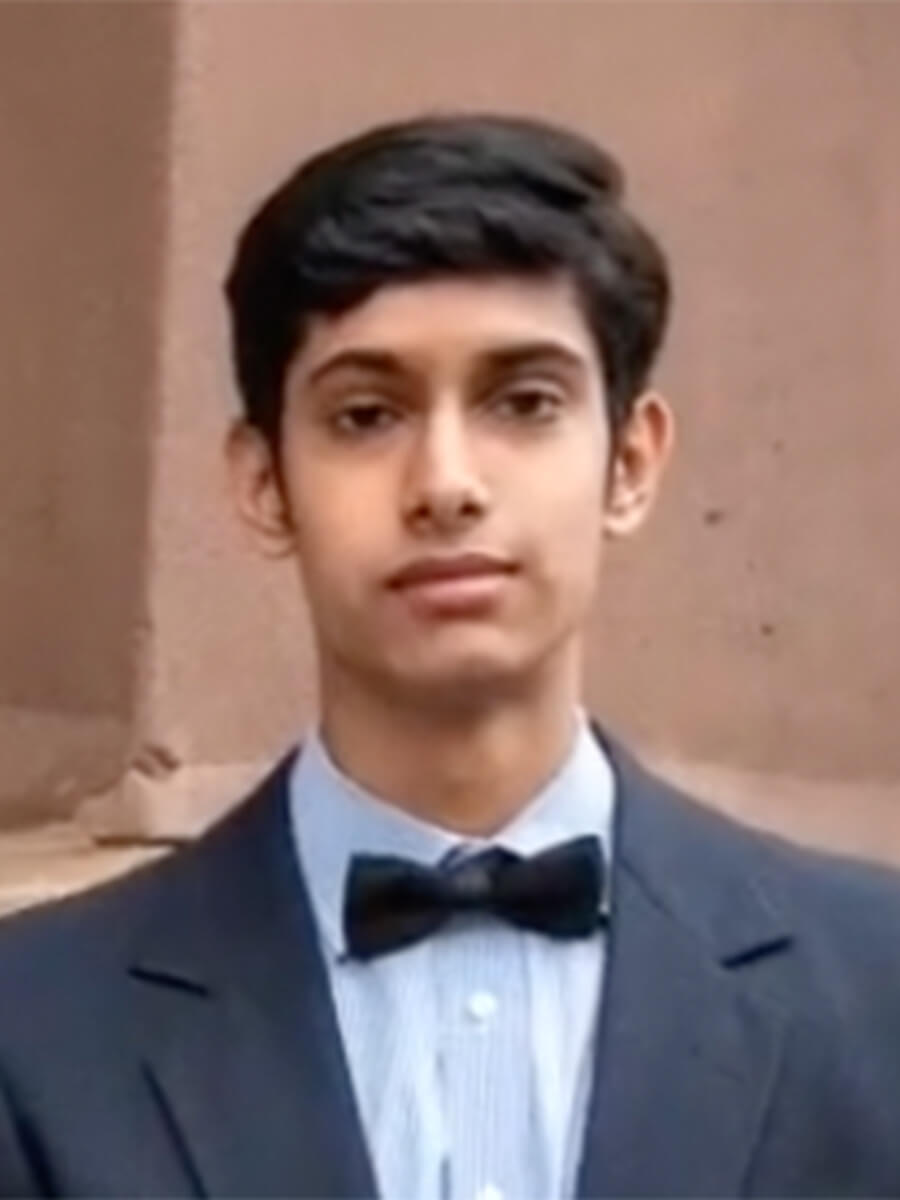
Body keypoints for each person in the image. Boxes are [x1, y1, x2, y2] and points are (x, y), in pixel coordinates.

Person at [1, 112, 900, 1200]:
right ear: (261, 482)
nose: (446, 480)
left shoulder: (876, 986)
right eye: (367, 414)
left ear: (630, 461)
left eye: (525, 402)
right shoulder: (35, 1030)